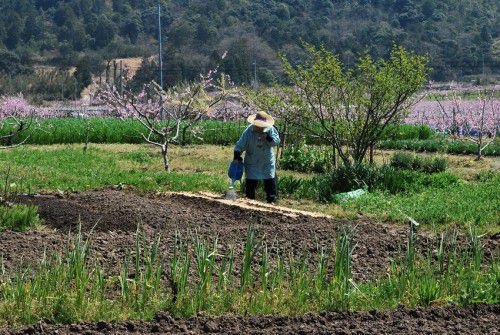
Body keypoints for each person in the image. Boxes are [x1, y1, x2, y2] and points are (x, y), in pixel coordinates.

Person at [234, 111, 281, 203]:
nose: (259, 128)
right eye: (258, 125)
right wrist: (236, 155)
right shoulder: (248, 131)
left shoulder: (270, 129)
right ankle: (249, 200)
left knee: (269, 180)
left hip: (267, 160)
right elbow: (240, 144)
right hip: (252, 160)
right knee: (251, 181)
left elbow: (276, 141)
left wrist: (267, 137)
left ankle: (271, 200)